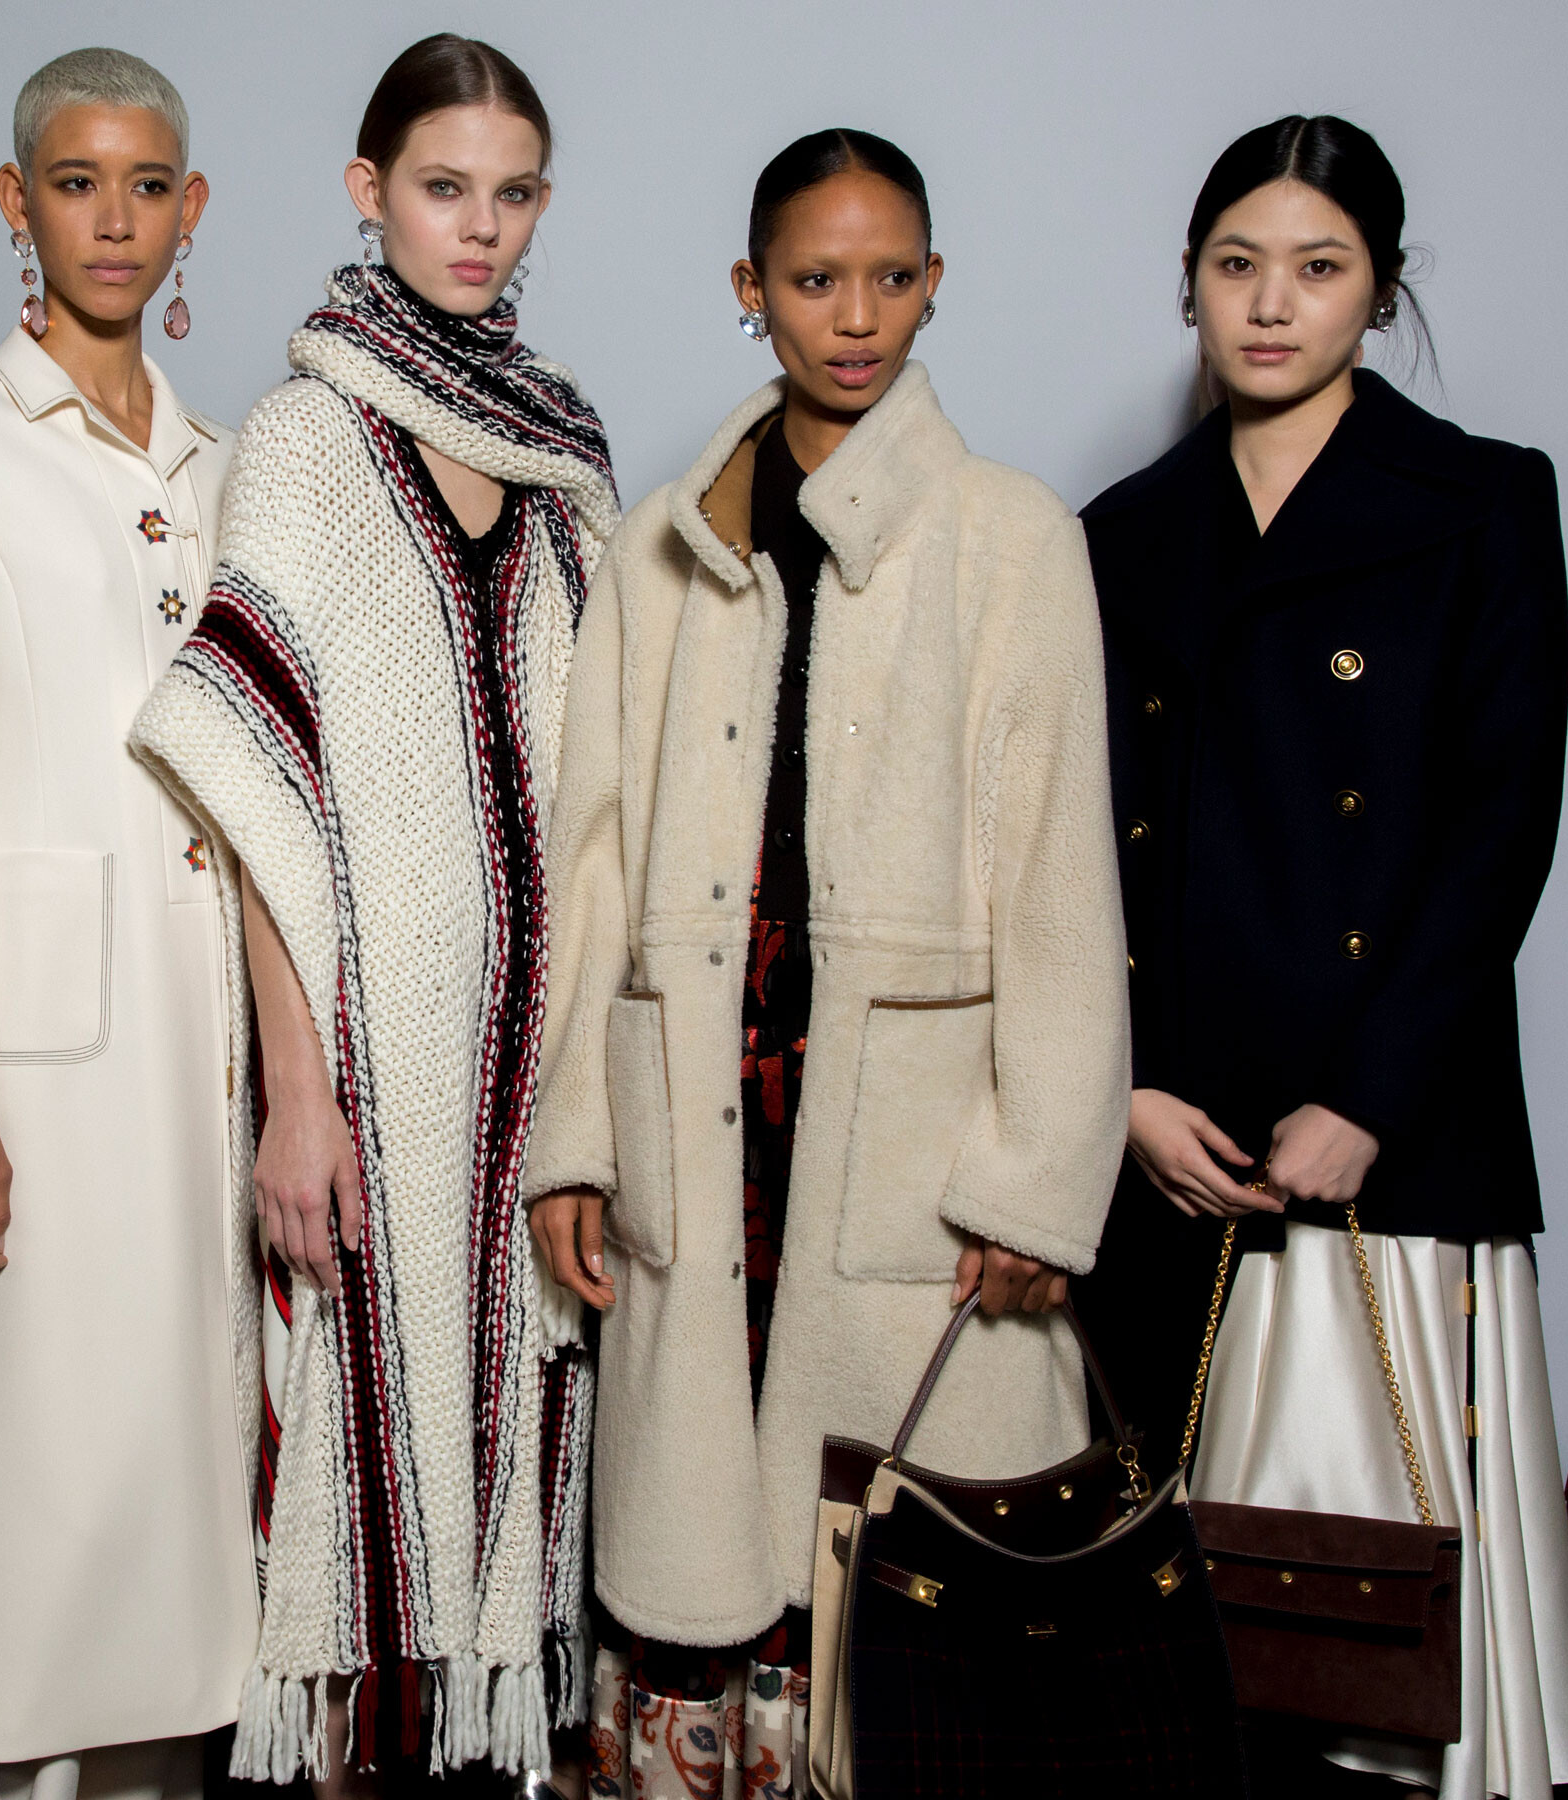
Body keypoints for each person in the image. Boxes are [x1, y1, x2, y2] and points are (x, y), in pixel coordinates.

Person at [523, 130, 1130, 1791]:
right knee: (698, 1529)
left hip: (907, 1126)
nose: (854, 318)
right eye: (813, 279)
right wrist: (576, 1135)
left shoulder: (1013, 537)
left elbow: (1062, 881)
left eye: (889, 278)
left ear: (934, 285)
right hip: (701, 1101)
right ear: (751, 290)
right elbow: (594, 865)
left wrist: (1037, 1182)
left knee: (911, 1570)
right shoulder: (661, 549)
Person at [1073, 114, 1568, 1797]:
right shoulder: (1121, 530)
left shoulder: (1483, 501)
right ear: (1187, 282)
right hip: (1181, 1133)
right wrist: (1122, 1091)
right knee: (1181, 1663)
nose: (1271, 303)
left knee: (1381, 1645)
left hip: (1392, 1120)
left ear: (1380, 291)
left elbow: (1501, 826)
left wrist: (1369, 1099)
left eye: (1318, 268)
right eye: (1236, 264)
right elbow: (1076, 847)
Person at [129, 32, 618, 1788]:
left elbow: (603, 789)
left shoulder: (566, 457)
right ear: (369, 192)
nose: (477, 227)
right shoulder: (305, 439)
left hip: (539, 1056)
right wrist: (300, 1089)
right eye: (441, 188)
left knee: (529, 1442)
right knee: (353, 1471)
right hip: (369, 1057)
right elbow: (261, 783)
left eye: (511, 194)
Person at [0, 46, 258, 1799]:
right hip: (33, 1069)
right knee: (32, 1532)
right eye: (78, 183)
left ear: (192, 209)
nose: (115, 219)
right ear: (17, 204)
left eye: (147, 184)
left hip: (203, 1057)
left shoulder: (230, 462)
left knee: (178, 1525)